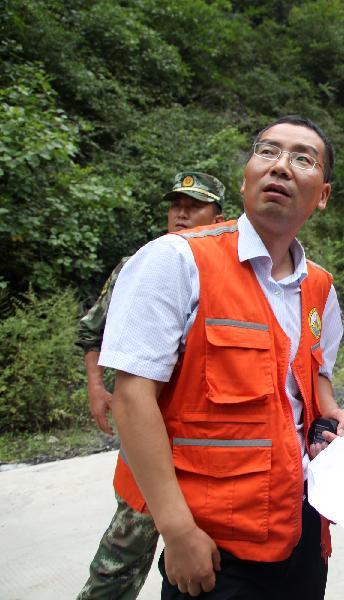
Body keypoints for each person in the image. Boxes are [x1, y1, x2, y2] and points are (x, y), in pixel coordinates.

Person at [98, 116, 344, 599]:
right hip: (212, 545)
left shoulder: (320, 287)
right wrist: (177, 531)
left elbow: (317, 385)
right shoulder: (176, 260)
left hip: (302, 531)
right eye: (267, 152)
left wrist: (333, 418)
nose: (280, 166)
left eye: (302, 158)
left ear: (322, 195)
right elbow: (132, 401)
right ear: (245, 177)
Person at [77, 171, 225, 600]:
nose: (181, 212)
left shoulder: (240, 267)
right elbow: (93, 330)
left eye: (194, 205)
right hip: (150, 437)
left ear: (219, 214)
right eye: (176, 203)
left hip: (212, 446)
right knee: (121, 559)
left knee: (209, 568)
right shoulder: (141, 264)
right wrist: (96, 386)